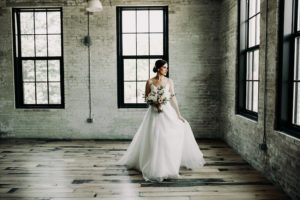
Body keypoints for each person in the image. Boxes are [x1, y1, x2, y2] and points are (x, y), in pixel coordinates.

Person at [117, 59, 206, 182]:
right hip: (154, 114)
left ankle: (168, 165)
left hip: (167, 112)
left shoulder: (169, 81)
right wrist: (155, 105)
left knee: (168, 137)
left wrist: (179, 115)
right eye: (165, 67)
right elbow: (148, 99)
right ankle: (154, 165)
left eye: (167, 67)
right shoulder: (149, 81)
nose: (166, 69)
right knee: (154, 138)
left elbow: (173, 98)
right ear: (158, 68)